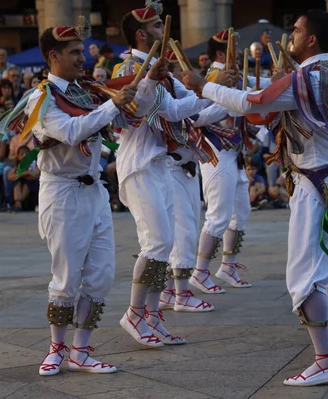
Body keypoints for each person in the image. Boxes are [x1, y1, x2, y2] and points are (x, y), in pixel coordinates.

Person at [184, 9, 328, 386]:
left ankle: (326, 360)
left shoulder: (311, 77)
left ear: (311, 39)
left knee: (304, 277)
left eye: (295, 30)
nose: (289, 36)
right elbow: (266, 102)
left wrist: (203, 86)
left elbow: (254, 102)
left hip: (318, 187)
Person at [0, 16, 161, 376]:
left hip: (94, 192)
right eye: (73, 52)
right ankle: (56, 348)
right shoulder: (41, 98)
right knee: (67, 275)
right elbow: (71, 131)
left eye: (81, 51)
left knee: (101, 275)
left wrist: (148, 81)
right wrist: (113, 104)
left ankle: (81, 350)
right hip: (63, 192)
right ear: (53, 56)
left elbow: (131, 113)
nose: (82, 57)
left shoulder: (87, 91)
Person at [115, 1, 231, 349]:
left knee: (162, 245)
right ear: (140, 33)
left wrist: (220, 91)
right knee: (157, 242)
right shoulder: (129, 66)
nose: (160, 32)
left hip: (158, 164)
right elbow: (144, 108)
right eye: (153, 27)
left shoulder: (156, 67)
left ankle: (152, 317)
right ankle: (135, 314)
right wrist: (204, 88)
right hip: (139, 163)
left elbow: (180, 110)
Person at [190, 28, 270, 295]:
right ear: (223, 52)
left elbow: (255, 95)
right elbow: (197, 116)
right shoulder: (211, 78)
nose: (240, 54)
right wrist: (234, 103)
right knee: (218, 216)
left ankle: (227, 265)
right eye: (234, 50)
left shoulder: (233, 78)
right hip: (216, 153)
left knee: (241, 213)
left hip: (234, 153)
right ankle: (200, 272)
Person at [7, 146, 40, 212]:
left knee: (28, 181)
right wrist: (26, 173)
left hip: (32, 187)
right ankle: (18, 204)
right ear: (18, 156)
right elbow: (10, 177)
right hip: (20, 186)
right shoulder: (18, 165)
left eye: (26, 153)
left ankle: (18, 203)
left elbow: (35, 175)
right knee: (16, 181)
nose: (24, 155)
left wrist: (20, 174)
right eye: (21, 154)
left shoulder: (35, 163)